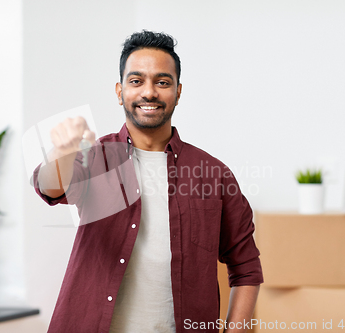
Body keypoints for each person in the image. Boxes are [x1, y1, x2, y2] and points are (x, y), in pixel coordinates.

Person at [34, 30, 263, 333]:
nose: (149, 92)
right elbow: (50, 186)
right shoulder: (95, 158)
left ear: (178, 92)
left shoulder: (214, 173)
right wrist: (61, 152)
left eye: (162, 82)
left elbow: (246, 268)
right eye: (136, 81)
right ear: (119, 91)